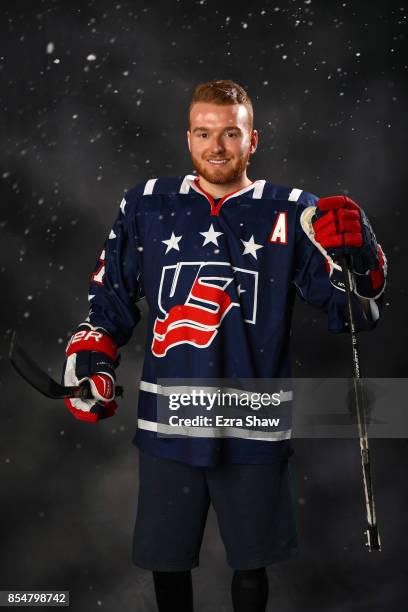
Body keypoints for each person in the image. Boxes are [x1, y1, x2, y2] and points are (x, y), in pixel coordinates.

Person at [62, 80, 386, 612]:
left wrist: (361, 256)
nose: (217, 146)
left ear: (252, 140)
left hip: (253, 424)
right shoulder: (146, 205)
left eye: (230, 133)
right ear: (188, 138)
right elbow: (109, 305)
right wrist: (91, 361)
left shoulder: (294, 212)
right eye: (205, 133)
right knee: (167, 567)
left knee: (250, 567)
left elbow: (352, 312)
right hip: (170, 424)